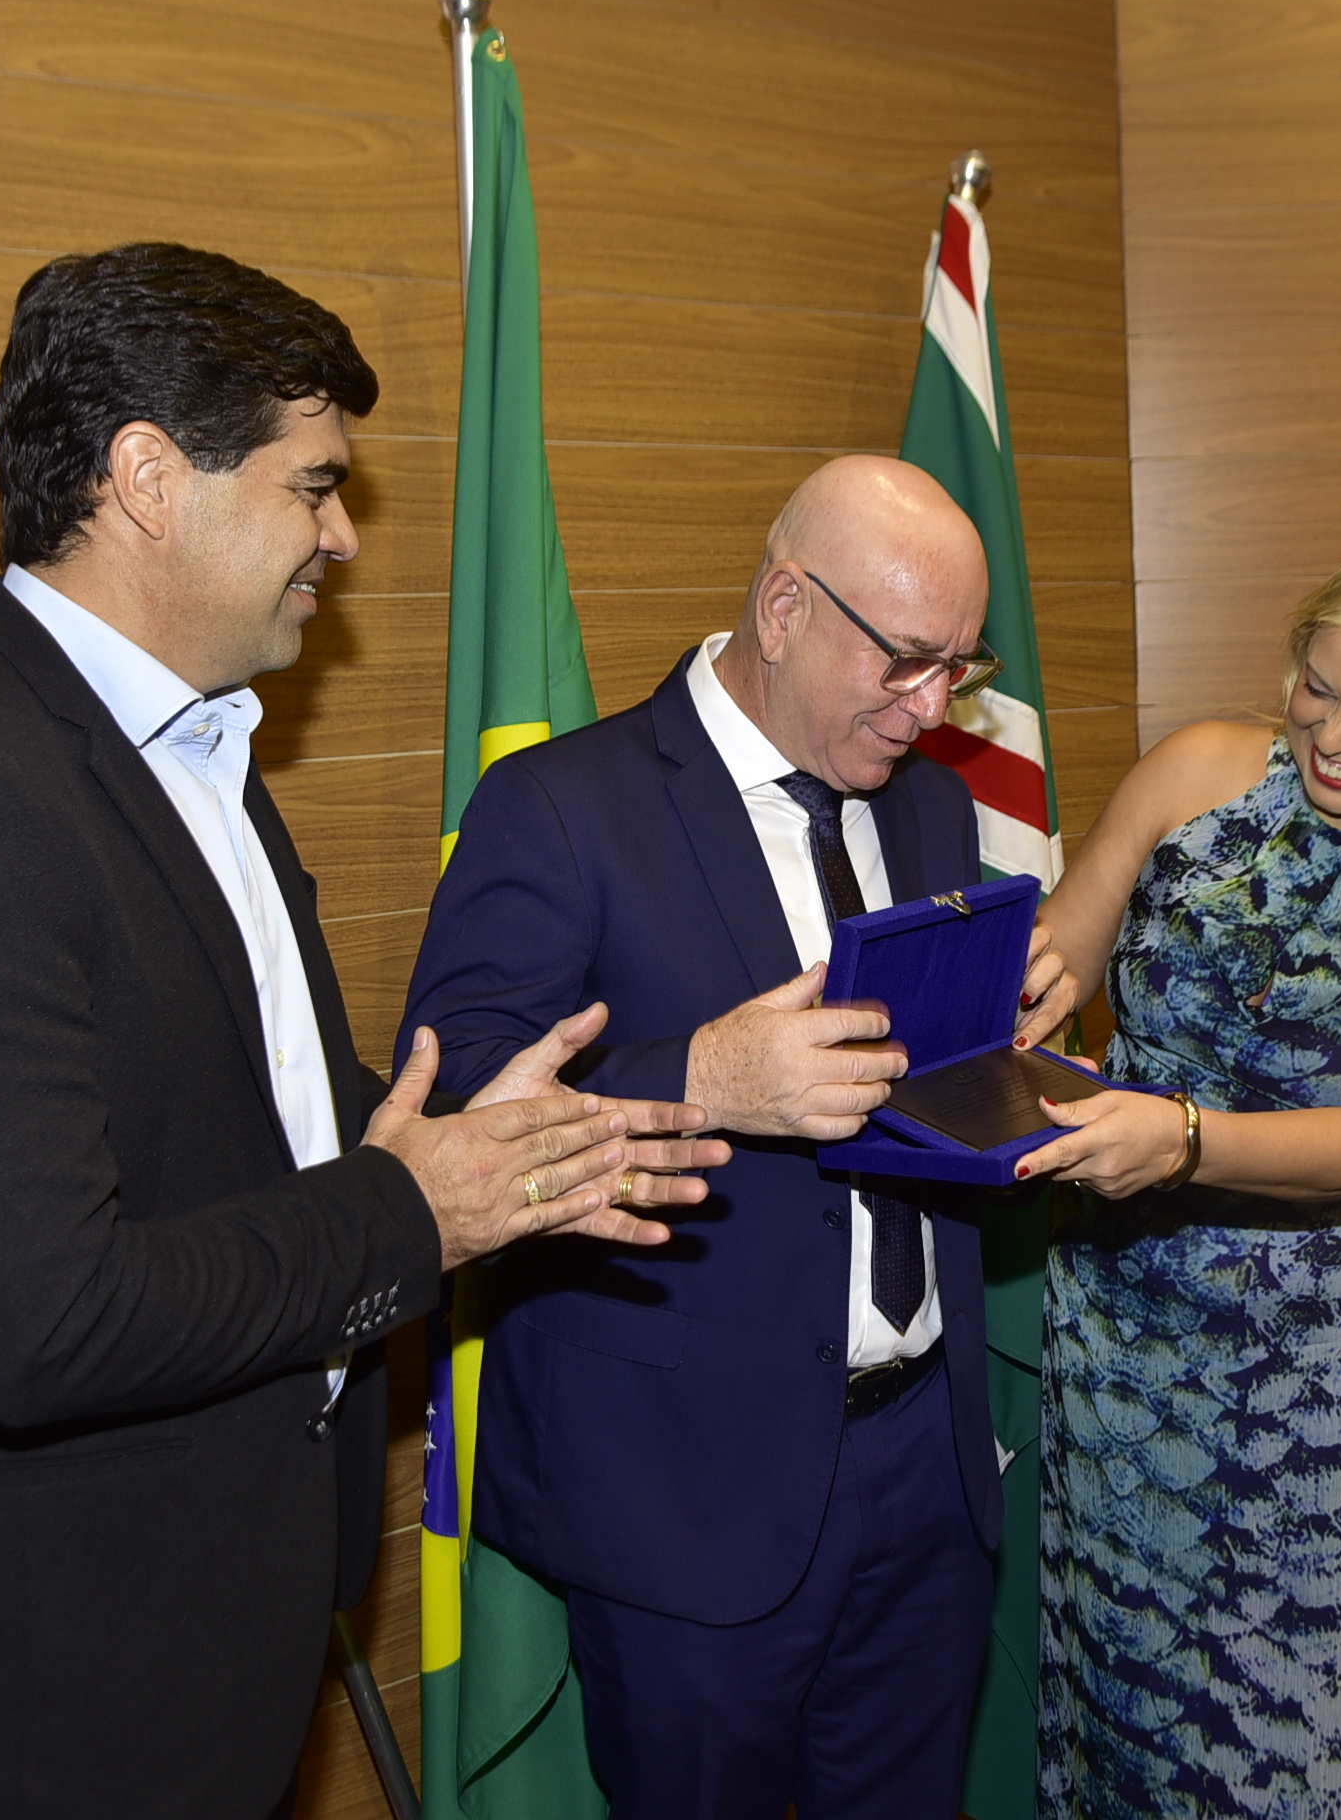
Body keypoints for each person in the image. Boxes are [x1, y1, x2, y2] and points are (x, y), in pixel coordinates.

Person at [0, 243, 726, 1819]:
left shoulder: (196, 753)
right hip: (39, 1711)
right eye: (312, 486)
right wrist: (416, 1211)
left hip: (221, 1636)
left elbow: (276, 1117)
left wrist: (536, 1153)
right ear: (148, 478)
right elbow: (42, 1322)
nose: (341, 535)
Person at [399, 456, 1068, 1820]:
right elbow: (458, 1110)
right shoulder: (560, 809)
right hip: (684, 1493)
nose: (932, 707)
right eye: (905, 661)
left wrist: (1011, 1043)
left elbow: (914, 1081)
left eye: (959, 668)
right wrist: (702, 1081)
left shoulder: (931, 803)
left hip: (925, 1470)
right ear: (783, 608)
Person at [1011, 529, 1341, 1820]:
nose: (1334, 738)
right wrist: (1016, 995)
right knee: (1127, 1679)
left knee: (1304, 1707)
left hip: (1312, 1369)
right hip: (1125, 1322)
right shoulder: (1197, 769)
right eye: (1317, 687)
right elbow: (1063, 950)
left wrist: (1185, 1138)